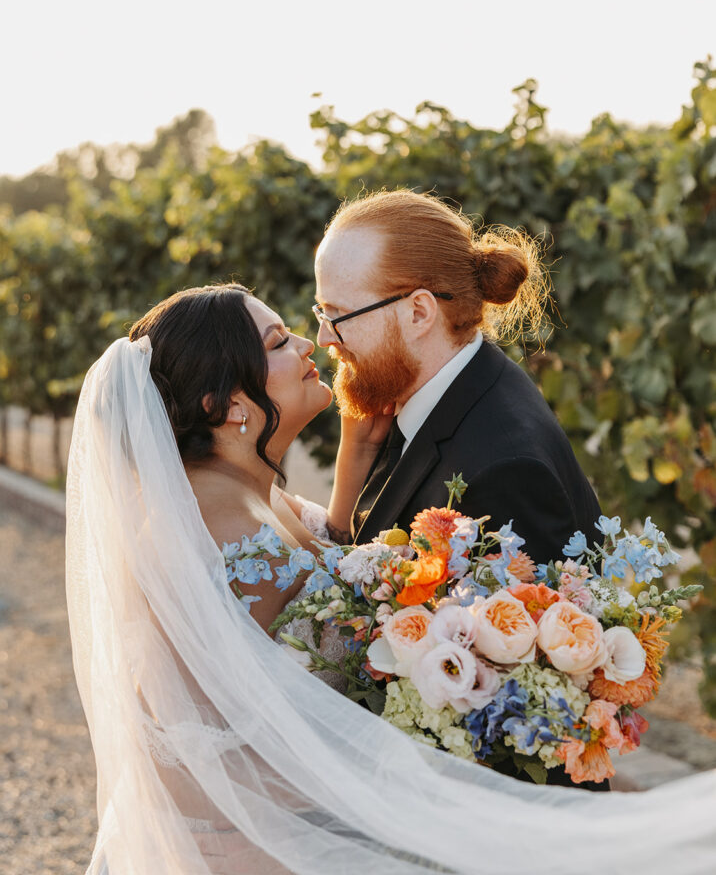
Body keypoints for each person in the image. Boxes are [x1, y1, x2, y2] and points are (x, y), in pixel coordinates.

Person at [66, 282, 716, 874]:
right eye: (277, 342)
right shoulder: (223, 526)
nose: (307, 343)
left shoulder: (248, 495)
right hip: (261, 843)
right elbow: (258, 717)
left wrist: (354, 457)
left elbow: (313, 600)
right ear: (226, 402)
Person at [314, 190, 602, 566]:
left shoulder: (505, 475)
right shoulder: (424, 394)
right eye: (322, 311)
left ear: (418, 312)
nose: (323, 338)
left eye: (338, 316)